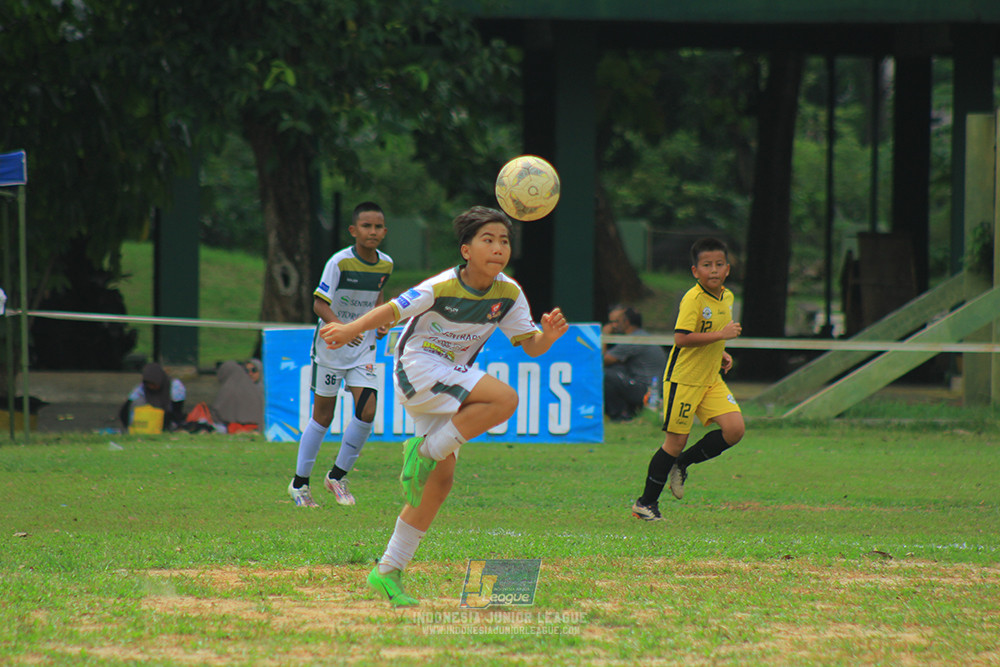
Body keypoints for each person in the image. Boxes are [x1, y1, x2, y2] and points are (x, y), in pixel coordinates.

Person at [320, 205, 568, 607]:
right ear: (466, 250)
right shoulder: (442, 285)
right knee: (505, 398)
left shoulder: (509, 292)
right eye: (487, 240)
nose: (498, 248)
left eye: (504, 241)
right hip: (417, 368)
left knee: (438, 485)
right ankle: (423, 451)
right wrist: (349, 327)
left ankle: (386, 571)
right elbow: (394, 309)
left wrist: (549, 337)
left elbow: (532, 346)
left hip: (448, 377)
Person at [287, 202, 393, 508]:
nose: (372, 231)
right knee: (324, 415)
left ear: (384, 231)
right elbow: (319, 304)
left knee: (367, 410)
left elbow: (377, 298)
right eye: (366, 226)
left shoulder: (386, 264)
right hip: (332, 345)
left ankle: (337, 476)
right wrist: (342, 328)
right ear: (353, 230)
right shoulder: (339, 262)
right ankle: (299, 485)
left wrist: (380, 320)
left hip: (363, 347)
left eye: (378, 227)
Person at [631, 237, 745, 521]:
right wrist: (721, 337)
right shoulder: (693, 299)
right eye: (707, 265)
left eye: (719, 264)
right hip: (684, 379)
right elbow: (681, 338)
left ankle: (681, 464)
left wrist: (721, 353)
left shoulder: (727, 297)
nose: (714, 270)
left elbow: (710, 333)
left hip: (711, 379)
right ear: (695, 271)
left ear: (728, 269)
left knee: (734, 430)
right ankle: (645, 503)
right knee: (675, 441)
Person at [602, 305, 666, 421]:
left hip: (646, 391)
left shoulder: (633, 339)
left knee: (606, 375)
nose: (613, 326)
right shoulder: (642, 336)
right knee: (617, 371)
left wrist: (605, 336)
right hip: (653, 388)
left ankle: (619, 416)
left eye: (616, 322)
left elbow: (602, 361)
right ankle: (629, 411)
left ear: (627, 322)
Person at [185, 360, 265, 433]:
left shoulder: (266, 391)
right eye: (246, 371)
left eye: (254, 370)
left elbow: (218, 413)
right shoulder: (234, 388)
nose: (250, 374)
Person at [119, 362, 187, 432]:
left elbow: (177, 411)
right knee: (138, 401)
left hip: (167, 419)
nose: (151, 387)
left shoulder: (175, 387)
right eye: (149, 384)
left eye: (154, 384)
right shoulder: (142, 388)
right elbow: (126, 409)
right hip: (145, 421)